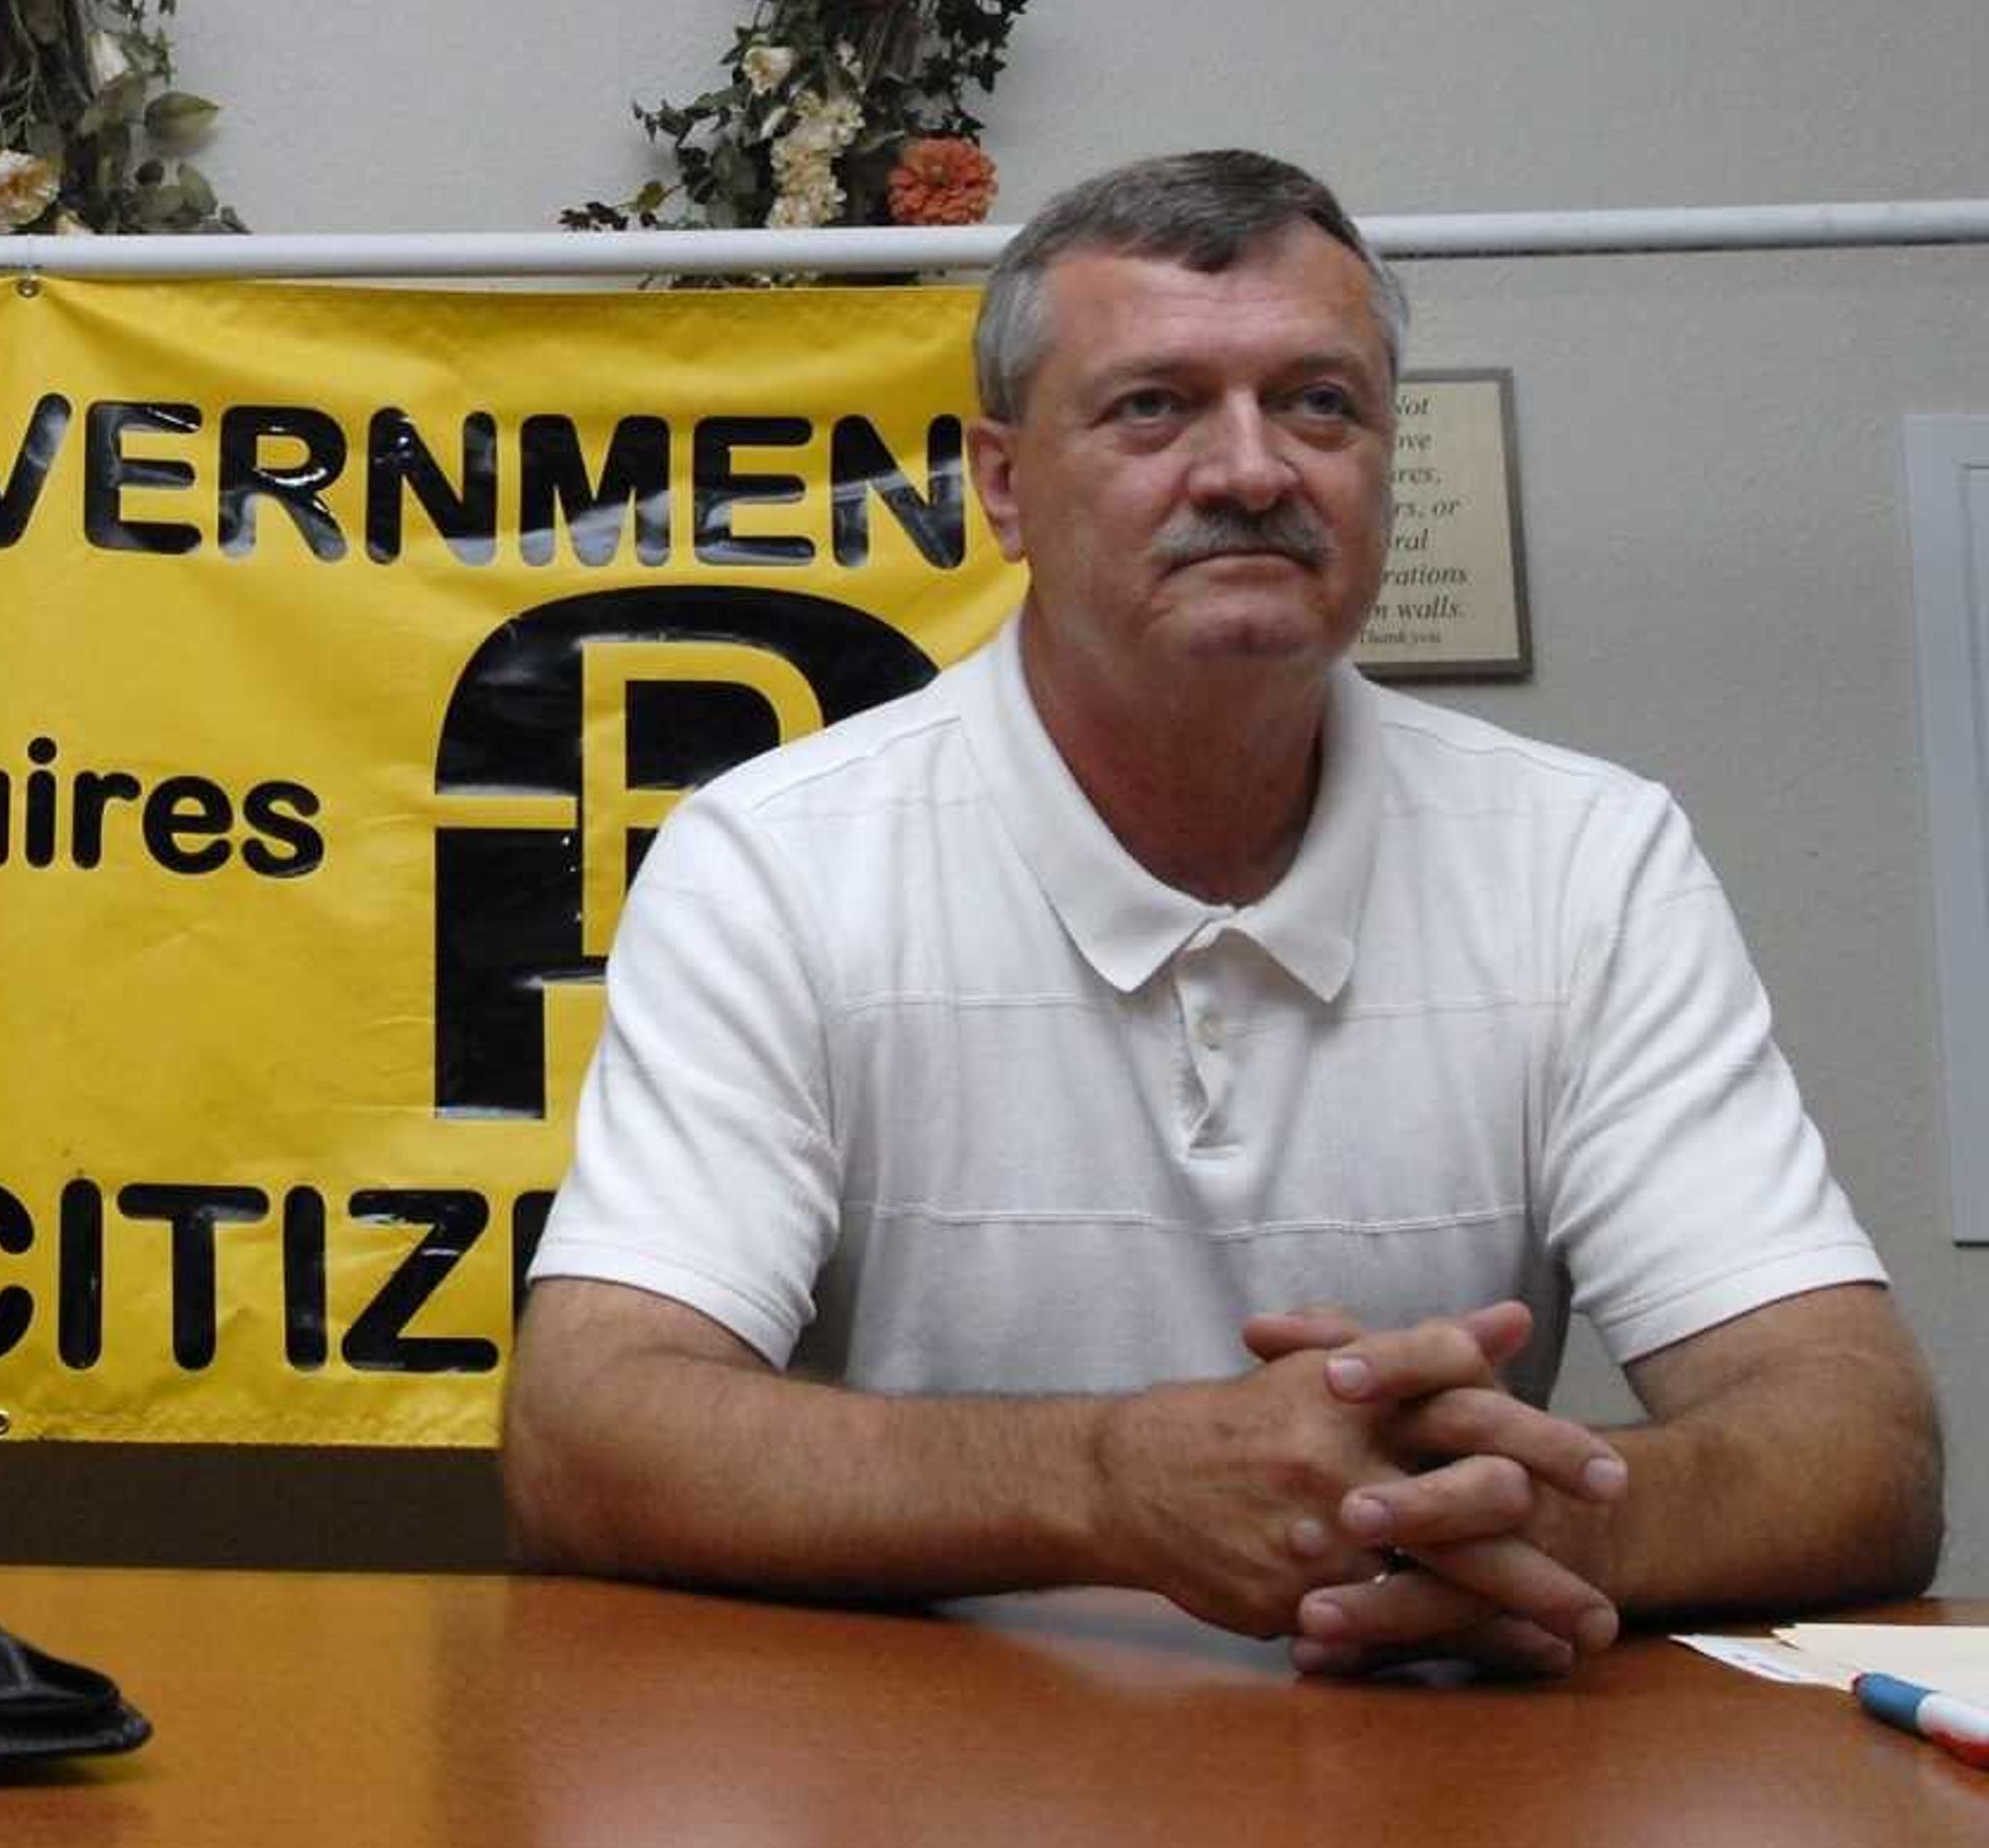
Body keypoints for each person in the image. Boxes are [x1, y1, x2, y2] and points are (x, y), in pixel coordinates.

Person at [505, 149, 1940, 1674]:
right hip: (920, 1791)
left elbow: (1861, 1444)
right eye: (1155, 407)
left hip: (1445, 1789)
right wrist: (1110, 1486)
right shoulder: (778, 858)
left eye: (1319, 404)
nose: (1252, 469)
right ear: (1004, 487)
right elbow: (590, 1434)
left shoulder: (1588, 857)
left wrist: (1540, 1515)